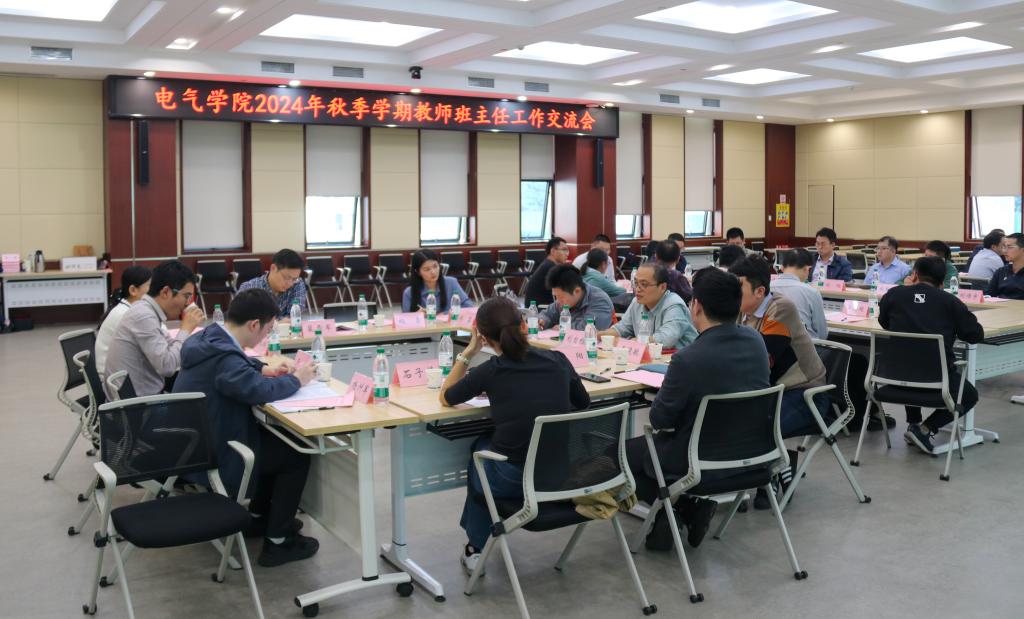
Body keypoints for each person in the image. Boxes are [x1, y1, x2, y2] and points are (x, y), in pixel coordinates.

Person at [441, 297, 590, 574]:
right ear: (524, 324)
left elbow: (446, 396)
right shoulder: (558, 360)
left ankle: (475, 547)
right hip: (561, 473)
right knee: (489, 448)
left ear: (484, 338)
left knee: (479, 454)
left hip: (514, 479)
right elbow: (583, 402)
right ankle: (480, 540)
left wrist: (468, 352)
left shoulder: (491, 370)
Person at [625, 267, 770, 550]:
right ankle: (682, 509)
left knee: (619, 456)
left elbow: (659, 419)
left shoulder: (688, 358)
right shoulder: (756, 341)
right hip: (753, 454)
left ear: (697, 306)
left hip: (698, 459)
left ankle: (680, 508)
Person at [173, 289, 320, 566]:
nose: (267, 335)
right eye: (268, 329)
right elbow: (259, 390)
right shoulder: (226, 360)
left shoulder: (207, 337)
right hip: (215, 451)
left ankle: (258, 517)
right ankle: (278, 541)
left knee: (273, 441)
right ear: (254, 325)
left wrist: (262, 367)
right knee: (294, 454)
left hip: (195, 441)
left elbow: (234, 363)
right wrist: (298, 380)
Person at [878, 257, 984, 454]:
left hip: (896, 377)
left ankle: (913, 423)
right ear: (942, 281)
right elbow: (975, 335)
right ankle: (925, 429)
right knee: (969, 395)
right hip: (938, 379)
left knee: (911, 357)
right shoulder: (950, 302)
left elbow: (884, 323)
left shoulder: (893, 295)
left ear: (914, 274)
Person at [730, 257, 827, 438]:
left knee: (750, 431)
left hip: (803, 394)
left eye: (737, 288)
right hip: (769, 390)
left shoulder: (781, 308)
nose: (731, 294)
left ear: (759, 291)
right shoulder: (741, 311)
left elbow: (761, 361)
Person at [105, 260, 205, 396]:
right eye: (186, 296)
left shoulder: (146, 310)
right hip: (137, 404)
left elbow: (170, 347)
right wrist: (185, 329)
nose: (188, 303)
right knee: (203, 393)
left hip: (139, 396)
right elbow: (167, 366)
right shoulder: (143, 316)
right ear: (165, 292)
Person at [600, 263, 697, 350]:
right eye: (636, 283)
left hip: (681, 360)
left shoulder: (674, 305)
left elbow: (667, 339)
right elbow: (622, 328)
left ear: (662, 287)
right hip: (651, 359)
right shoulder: (637, 302)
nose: (637, 289)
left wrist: (634, 342)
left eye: (644, 284)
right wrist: (601, 335)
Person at [95, 266, 152, 377]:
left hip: (117, 374)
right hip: (115, 380)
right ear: (133, 290)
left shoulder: (126, 308)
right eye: (150, 285)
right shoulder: (127, 315)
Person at [770, 248, 828, 340]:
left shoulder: (767, 288)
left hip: (771, 345)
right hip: (805, 346)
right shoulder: (812, 292)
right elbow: (822, 334)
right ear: (807, 269)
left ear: (782, 267)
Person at [538, 263, 614, 330]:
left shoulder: (600, 301)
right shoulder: (563, 300)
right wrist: (542, 321)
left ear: (577, 291)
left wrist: (563, 328)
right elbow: (547, 314)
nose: (558, 301)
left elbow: (588, 329)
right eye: (555, 296)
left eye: (561, 297)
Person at [237, 249, 308, 319]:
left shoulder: (297, 284)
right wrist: (276, 323)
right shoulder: (249, 288)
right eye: (286, 277)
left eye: (294, 279)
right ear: (273, 268)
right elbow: (240, 319)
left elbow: (295, 316)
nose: (290, 283)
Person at [402, 249, 475, 313]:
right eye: (427, 269)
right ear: (418, 272)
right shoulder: (409, 293)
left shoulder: (451, 283)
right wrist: (417, 316)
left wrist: (454, 312)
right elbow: (405, 320)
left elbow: (468, 305)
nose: (433, 272)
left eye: (435, 266)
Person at [524, 237, 569, 306]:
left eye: (567, 251)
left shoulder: (548, 264)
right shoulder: (550, 268)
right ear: (553, 251)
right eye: (564, 250)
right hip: (539, 309)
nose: (567, 254)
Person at [986, 233, 1024, 300]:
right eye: (1004, 247)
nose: (1004, 251)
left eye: (1009, 247)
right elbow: (989, 295)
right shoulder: (1001, 271)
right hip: (1000, 306)